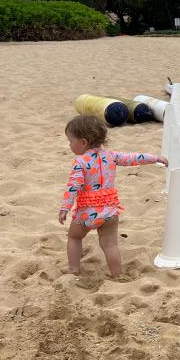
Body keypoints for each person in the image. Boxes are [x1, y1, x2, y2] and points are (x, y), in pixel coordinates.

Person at [59, 116, 167, 277]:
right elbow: (133, 158)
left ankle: (74, 268)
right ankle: (117, 274)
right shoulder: (111, 156)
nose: (69, 145)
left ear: (83, 142)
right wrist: (155, 158)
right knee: (110, 245)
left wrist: (65, 208)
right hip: (110, 211)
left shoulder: (80, 162)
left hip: (87, 212)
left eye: (70, 141)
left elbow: (73, 186)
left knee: (74, 237)